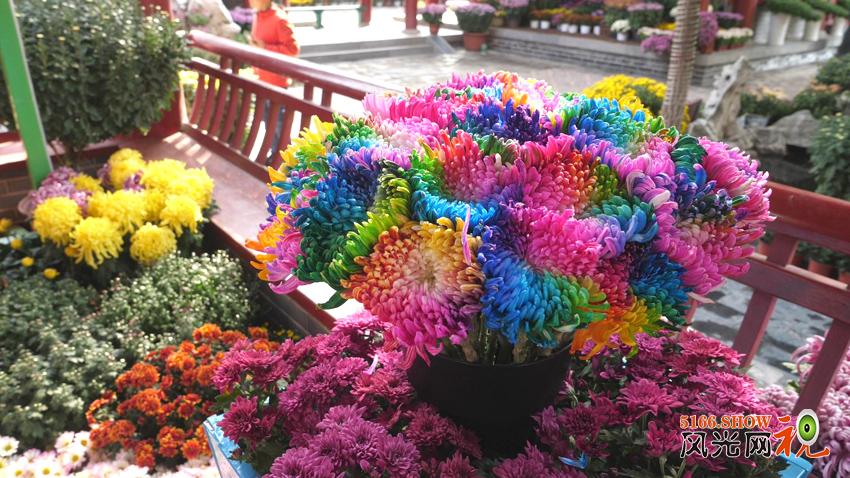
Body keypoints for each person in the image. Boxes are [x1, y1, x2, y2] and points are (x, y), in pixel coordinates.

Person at [248, 0, 300, 164]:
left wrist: (266, 47)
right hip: (262, 79)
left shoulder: (279, 19)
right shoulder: (258, 16)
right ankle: (275, 155)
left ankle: (286, 160)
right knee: (268, 122)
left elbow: (293, 50)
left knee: (279, 124)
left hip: (277, 82)